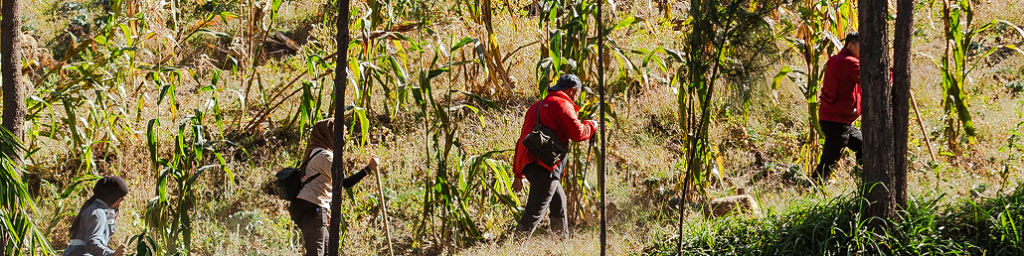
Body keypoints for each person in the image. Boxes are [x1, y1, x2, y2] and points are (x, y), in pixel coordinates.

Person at [511, 74, 598, 236]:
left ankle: (561, 243)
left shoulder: (536, 106)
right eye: (577, 93)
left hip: (530, 164)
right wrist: (591, 126)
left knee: (559, 202)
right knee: (534, 212)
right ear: (572, 91)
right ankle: (514, 248)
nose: (577, 97)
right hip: (545, 166)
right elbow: (578, 133)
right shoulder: (562, 104)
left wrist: (518, 173)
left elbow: (521, 140)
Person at [289, 118, 379, 256]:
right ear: (329, 135)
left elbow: (314, 186)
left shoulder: (313, 153)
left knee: (325, 251)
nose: (342, 139)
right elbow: (345, 183)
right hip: (312, 208)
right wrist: (368, 168)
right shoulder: (325, 156)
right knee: (317, 253)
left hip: (309, 206)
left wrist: (324, 210)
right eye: (339, 135)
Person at [812, 32, 863, 184]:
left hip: (837, 119)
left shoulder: (837, 60)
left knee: (864, 145)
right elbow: (872, 76)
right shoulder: (848, 62)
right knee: (829, 160)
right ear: (850, 45)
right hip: (836, 120)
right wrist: (896, 74)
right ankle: (812, 187)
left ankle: (864, 178)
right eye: (862, 47)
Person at [64, 176, 129, 256]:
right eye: (121, 199)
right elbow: (92, 243)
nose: (121, 203)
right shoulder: (98, 213)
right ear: (114, 197)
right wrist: (112, 254)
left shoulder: (94, 208)